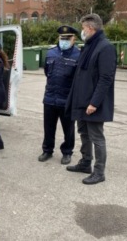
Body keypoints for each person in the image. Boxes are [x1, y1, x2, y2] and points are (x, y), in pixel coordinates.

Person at [65, 14, 117, 185]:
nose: (82, 31)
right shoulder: (89, 46)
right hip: (81, 101)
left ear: (91, 28)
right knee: (84, 133)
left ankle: (99, 172)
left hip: (93, 103)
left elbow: (105, 79)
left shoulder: (105, 47)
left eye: (83, 28)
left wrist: (94, 103)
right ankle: (85, 163)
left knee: (97, 137)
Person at [38, 25, 80, 165]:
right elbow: (47, 71)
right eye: (62, 38)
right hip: (50, 97)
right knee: (48, 127)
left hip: (67, 99)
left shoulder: (78, 55)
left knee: (68, 129)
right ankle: (47, 150)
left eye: (68, 38)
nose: (64, 41)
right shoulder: (51, 53)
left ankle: (67, 152)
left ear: (74, 39)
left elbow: (79, 79)